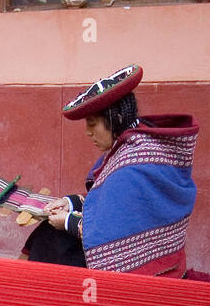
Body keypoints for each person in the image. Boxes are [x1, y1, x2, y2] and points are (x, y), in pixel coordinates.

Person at [22, 63, 199, 278]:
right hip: (156, 255)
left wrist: (67, 221)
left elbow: (112, 227)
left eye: (92, 124)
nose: (88, 133)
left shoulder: (132, 165)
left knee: (53, 243)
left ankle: (37, 296)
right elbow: (115, 203)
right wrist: (71, 203)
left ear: (114, 119)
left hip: (148, 268)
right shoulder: (135, 142)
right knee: (50, 233)